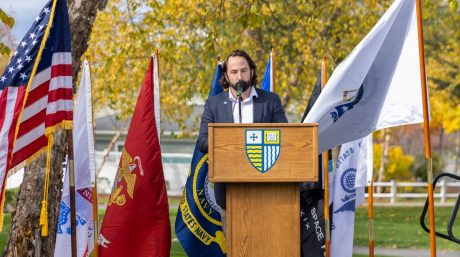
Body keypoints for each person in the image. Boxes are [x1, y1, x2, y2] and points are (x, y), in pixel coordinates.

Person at [197, 49, 288, 232]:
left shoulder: (270, 101)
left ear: (252, 72)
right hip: (229, 191)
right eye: (234, 72)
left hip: (266, 190)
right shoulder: (214, 104)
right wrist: (230, 145)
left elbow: (285, 137)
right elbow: (203, 141)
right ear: (226, 76)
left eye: (244, 70)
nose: (240, 76)